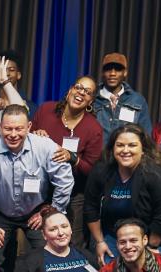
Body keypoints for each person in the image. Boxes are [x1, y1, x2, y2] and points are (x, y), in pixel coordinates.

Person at [0, 104, 74, 272]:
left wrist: (51, 211)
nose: (13, 134)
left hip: (36, 212)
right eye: (8, 128)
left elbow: (65, 181)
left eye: (19, 128)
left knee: (52, 249)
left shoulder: (46, 147)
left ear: (29, 127)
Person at [84, 123, 161, 262]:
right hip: (112, 237)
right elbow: (90, 208)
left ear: (143, 149)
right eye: (120, 145)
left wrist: (151, 247)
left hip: (149, 238)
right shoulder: (101, 170)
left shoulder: (156, 175)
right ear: (113, 148)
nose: (125, 150)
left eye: (132, 145)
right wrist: (99, 242)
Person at [31, 76, 105, 249]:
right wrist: (35, 134)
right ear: (70, 89)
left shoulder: (93, 128)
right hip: (39, 189)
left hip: (73, 195)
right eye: (79, 87)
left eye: (87, 92)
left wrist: (73, 158)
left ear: (91, 100)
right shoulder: (46, 110)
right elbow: (25, 141)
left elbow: (91, 170)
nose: (81, 93)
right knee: (39, 241)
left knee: (71, 242)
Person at [93, 53, 153, 142]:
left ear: (125, 73)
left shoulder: (137, 100)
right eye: (108, 69)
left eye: (118, 69)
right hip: (98, 155)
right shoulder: (92, 99)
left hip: (127, 154)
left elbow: (146, 135)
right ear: (102, 72)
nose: (112, 73)